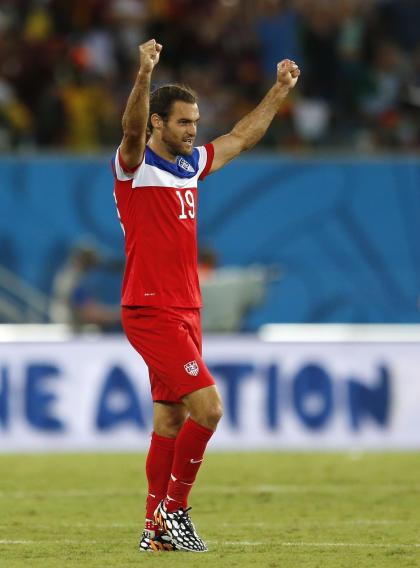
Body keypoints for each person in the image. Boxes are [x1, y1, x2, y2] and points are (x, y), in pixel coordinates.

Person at [111, 39, 300, 552]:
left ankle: (155, 534)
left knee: (171, 417)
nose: (193, 131)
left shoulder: (190, 166)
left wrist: (279, 90)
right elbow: (130, 130)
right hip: (151, 308)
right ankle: (175, 512)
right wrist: (144, 72)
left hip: (185, 308)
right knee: (210, 410)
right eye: (183, 122)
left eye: (196, 122)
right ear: (157, 123)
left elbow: (242, 136)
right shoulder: (134, 167)